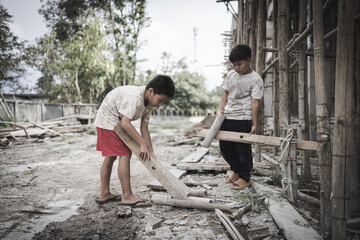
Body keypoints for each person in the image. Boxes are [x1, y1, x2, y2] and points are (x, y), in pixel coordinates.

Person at [94, 75, 175, 207]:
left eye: (164, 102)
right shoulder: (134, 97)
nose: (160, 104)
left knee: (112, 156)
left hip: (115, 120)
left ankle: (105, 193)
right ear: (150, 91)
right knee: (125, 152)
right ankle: (127, 196)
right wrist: (142, 143)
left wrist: (150, 149)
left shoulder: (149, 104)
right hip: (108, 118)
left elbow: (144, 128)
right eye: (160, 100)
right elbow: (126, 123)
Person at [217, 44, 264, 190]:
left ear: (249, 61)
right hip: (228, 116)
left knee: (242, 150)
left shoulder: (256, 80)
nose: (236, 67)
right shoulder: (231, 75)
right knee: (225, 147)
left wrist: (255, 124)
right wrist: (220, 110)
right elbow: (226, 93)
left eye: (239, 64)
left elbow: (255, 102)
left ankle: (245, 177)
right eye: (234, 65)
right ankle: (236, 170)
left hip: (244, 117)